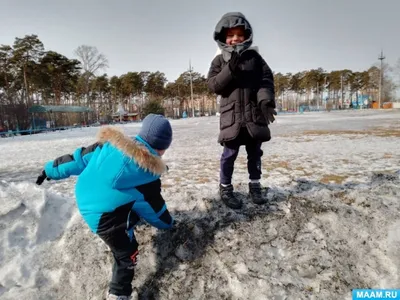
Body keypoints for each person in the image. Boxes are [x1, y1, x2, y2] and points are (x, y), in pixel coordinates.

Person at [36, 114, 175, 300]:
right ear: (163, 148)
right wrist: (169, 223)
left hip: (83, 195)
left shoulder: (110, 145)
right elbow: (155, 210)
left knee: (126, 200)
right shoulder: (146, 175)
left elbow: (78, 160)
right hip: (103, 216)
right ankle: (118, 293)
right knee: (127, 253)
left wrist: (50, 169)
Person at [207, 12, 276, 209]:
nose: (235, 39)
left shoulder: (255, 58)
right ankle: (226, 187)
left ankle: (255, 185)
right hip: (232, 119)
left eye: (239, 34)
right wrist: (230, 69)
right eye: (230, 35)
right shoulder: (219, 61)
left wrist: (266, 100)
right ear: (222, 37)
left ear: (246, 36)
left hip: (254, 116)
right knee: (229, 154)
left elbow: (266, 80)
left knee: (255, 153)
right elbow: (213, 85)